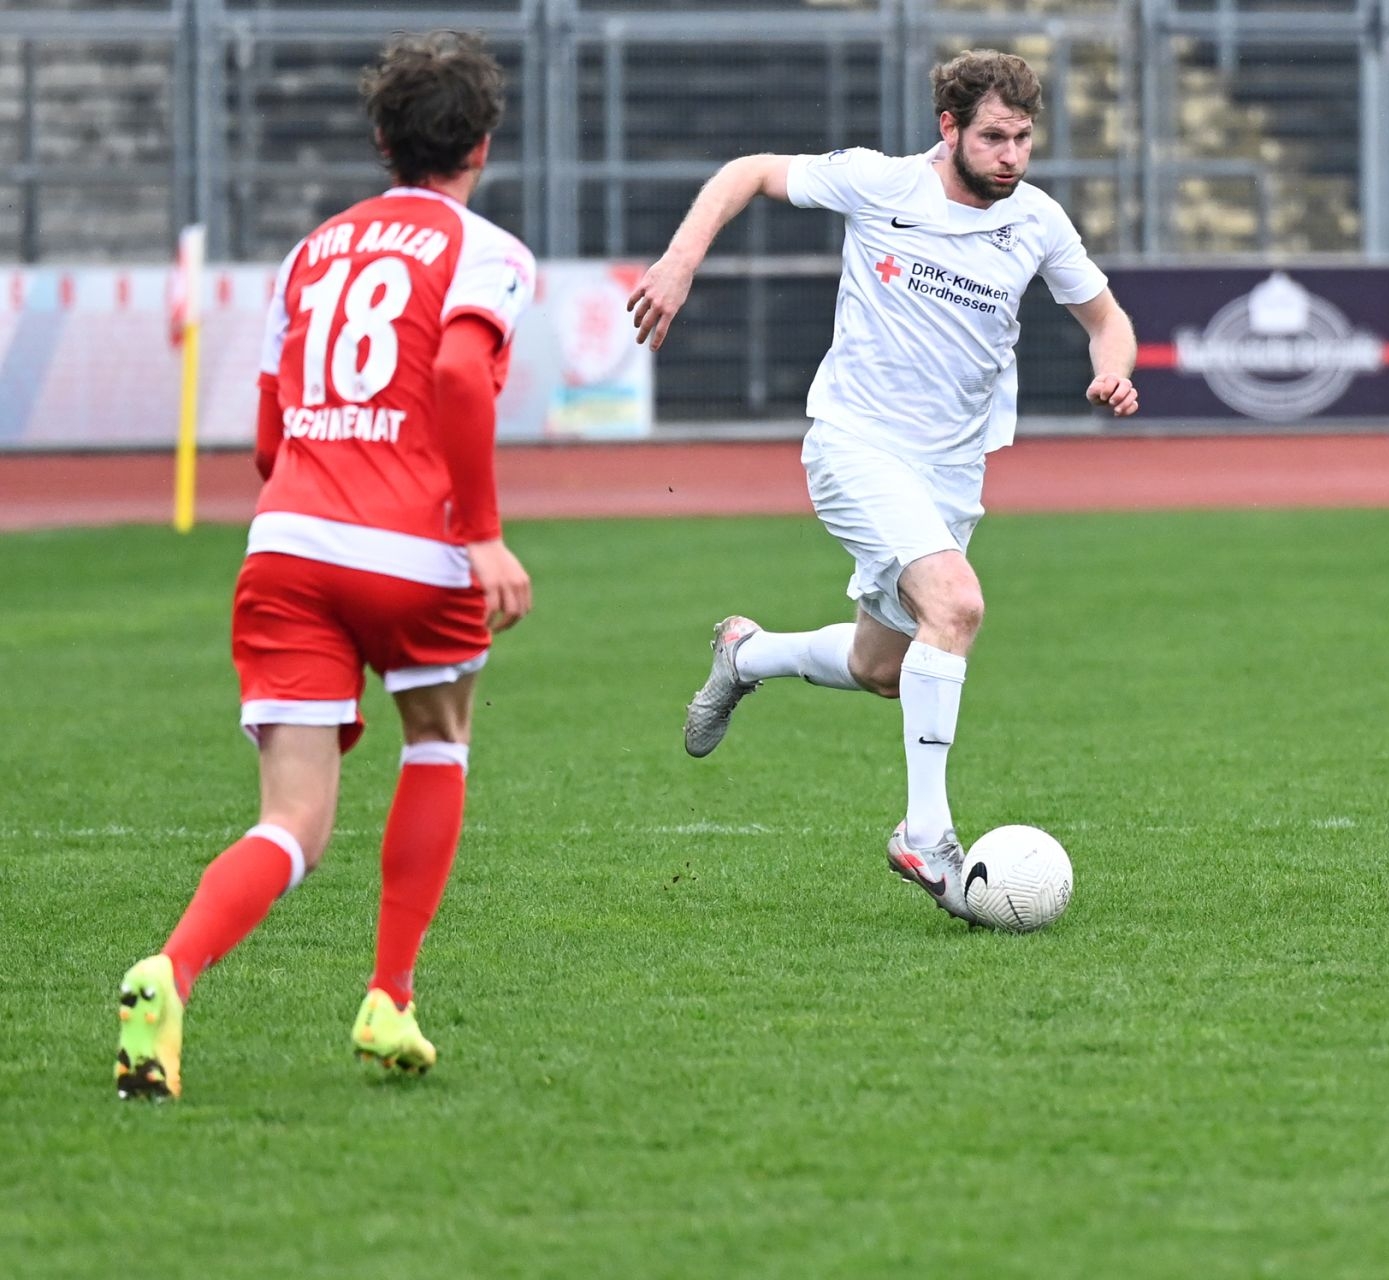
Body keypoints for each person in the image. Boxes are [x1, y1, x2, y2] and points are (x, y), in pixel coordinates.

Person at [114, 31, 536, 1099]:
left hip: (288, 547)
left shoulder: (309, 253)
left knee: (292, 821)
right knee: (437, 738)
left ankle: (172, 970)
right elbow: (458, 372)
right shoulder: (487, 251)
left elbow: (268, 439)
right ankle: (389, 994)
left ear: (382, 141)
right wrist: (482, 532)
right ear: (481, 146)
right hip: (415, 549)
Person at [627, 49, 1138, 923]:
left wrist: (1113, 368)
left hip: (950, 474)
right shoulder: (880, 183)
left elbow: (1105, 317)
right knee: (958, 605)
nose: (1012, 155)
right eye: (993, 137)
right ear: (949, 128)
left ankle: (745, 656)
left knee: (882, 670)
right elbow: (748, 171)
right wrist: (679, 263)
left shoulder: (1038, 221)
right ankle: (926, 834)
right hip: (856, 445)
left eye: (1023, 138)